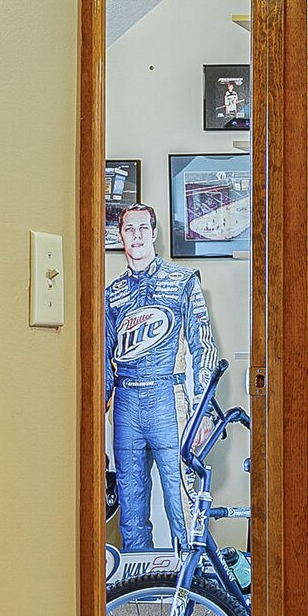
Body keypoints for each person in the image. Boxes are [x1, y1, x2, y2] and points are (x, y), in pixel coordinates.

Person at [104, 203, 217, 551]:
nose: (136, 236)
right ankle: (140, 579)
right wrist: (93, 420)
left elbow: (203, 346)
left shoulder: (183, 281)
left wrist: (203, 411)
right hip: (126, 401)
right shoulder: (111, 294)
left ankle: (191, 576)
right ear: (121, 236)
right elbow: (102, 361)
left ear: (154, 233)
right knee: (130, 501)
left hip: (169, 398)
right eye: (129, 229)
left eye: (143, 229)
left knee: (181, 497)